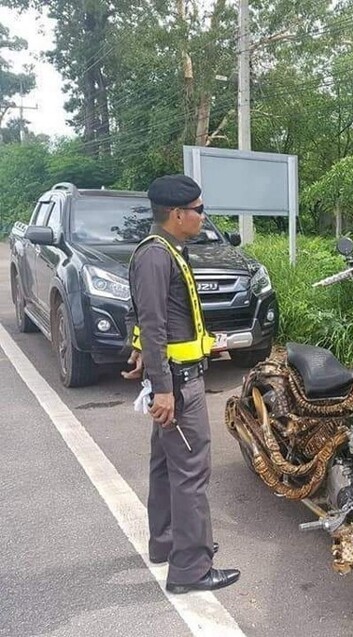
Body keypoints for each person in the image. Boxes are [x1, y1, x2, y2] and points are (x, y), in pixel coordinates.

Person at [123, 174, 240, 594]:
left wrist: (141, 355)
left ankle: (168, 543)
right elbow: (152, 323)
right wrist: (165, 389)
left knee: (165, 465)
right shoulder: (156, 256)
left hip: (176, 376)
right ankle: (191, 568)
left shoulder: (166, 250)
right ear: (177, 214)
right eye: (199, 210)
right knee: (191, 473)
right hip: (178, 384)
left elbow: (147, 317)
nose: (203, 216)